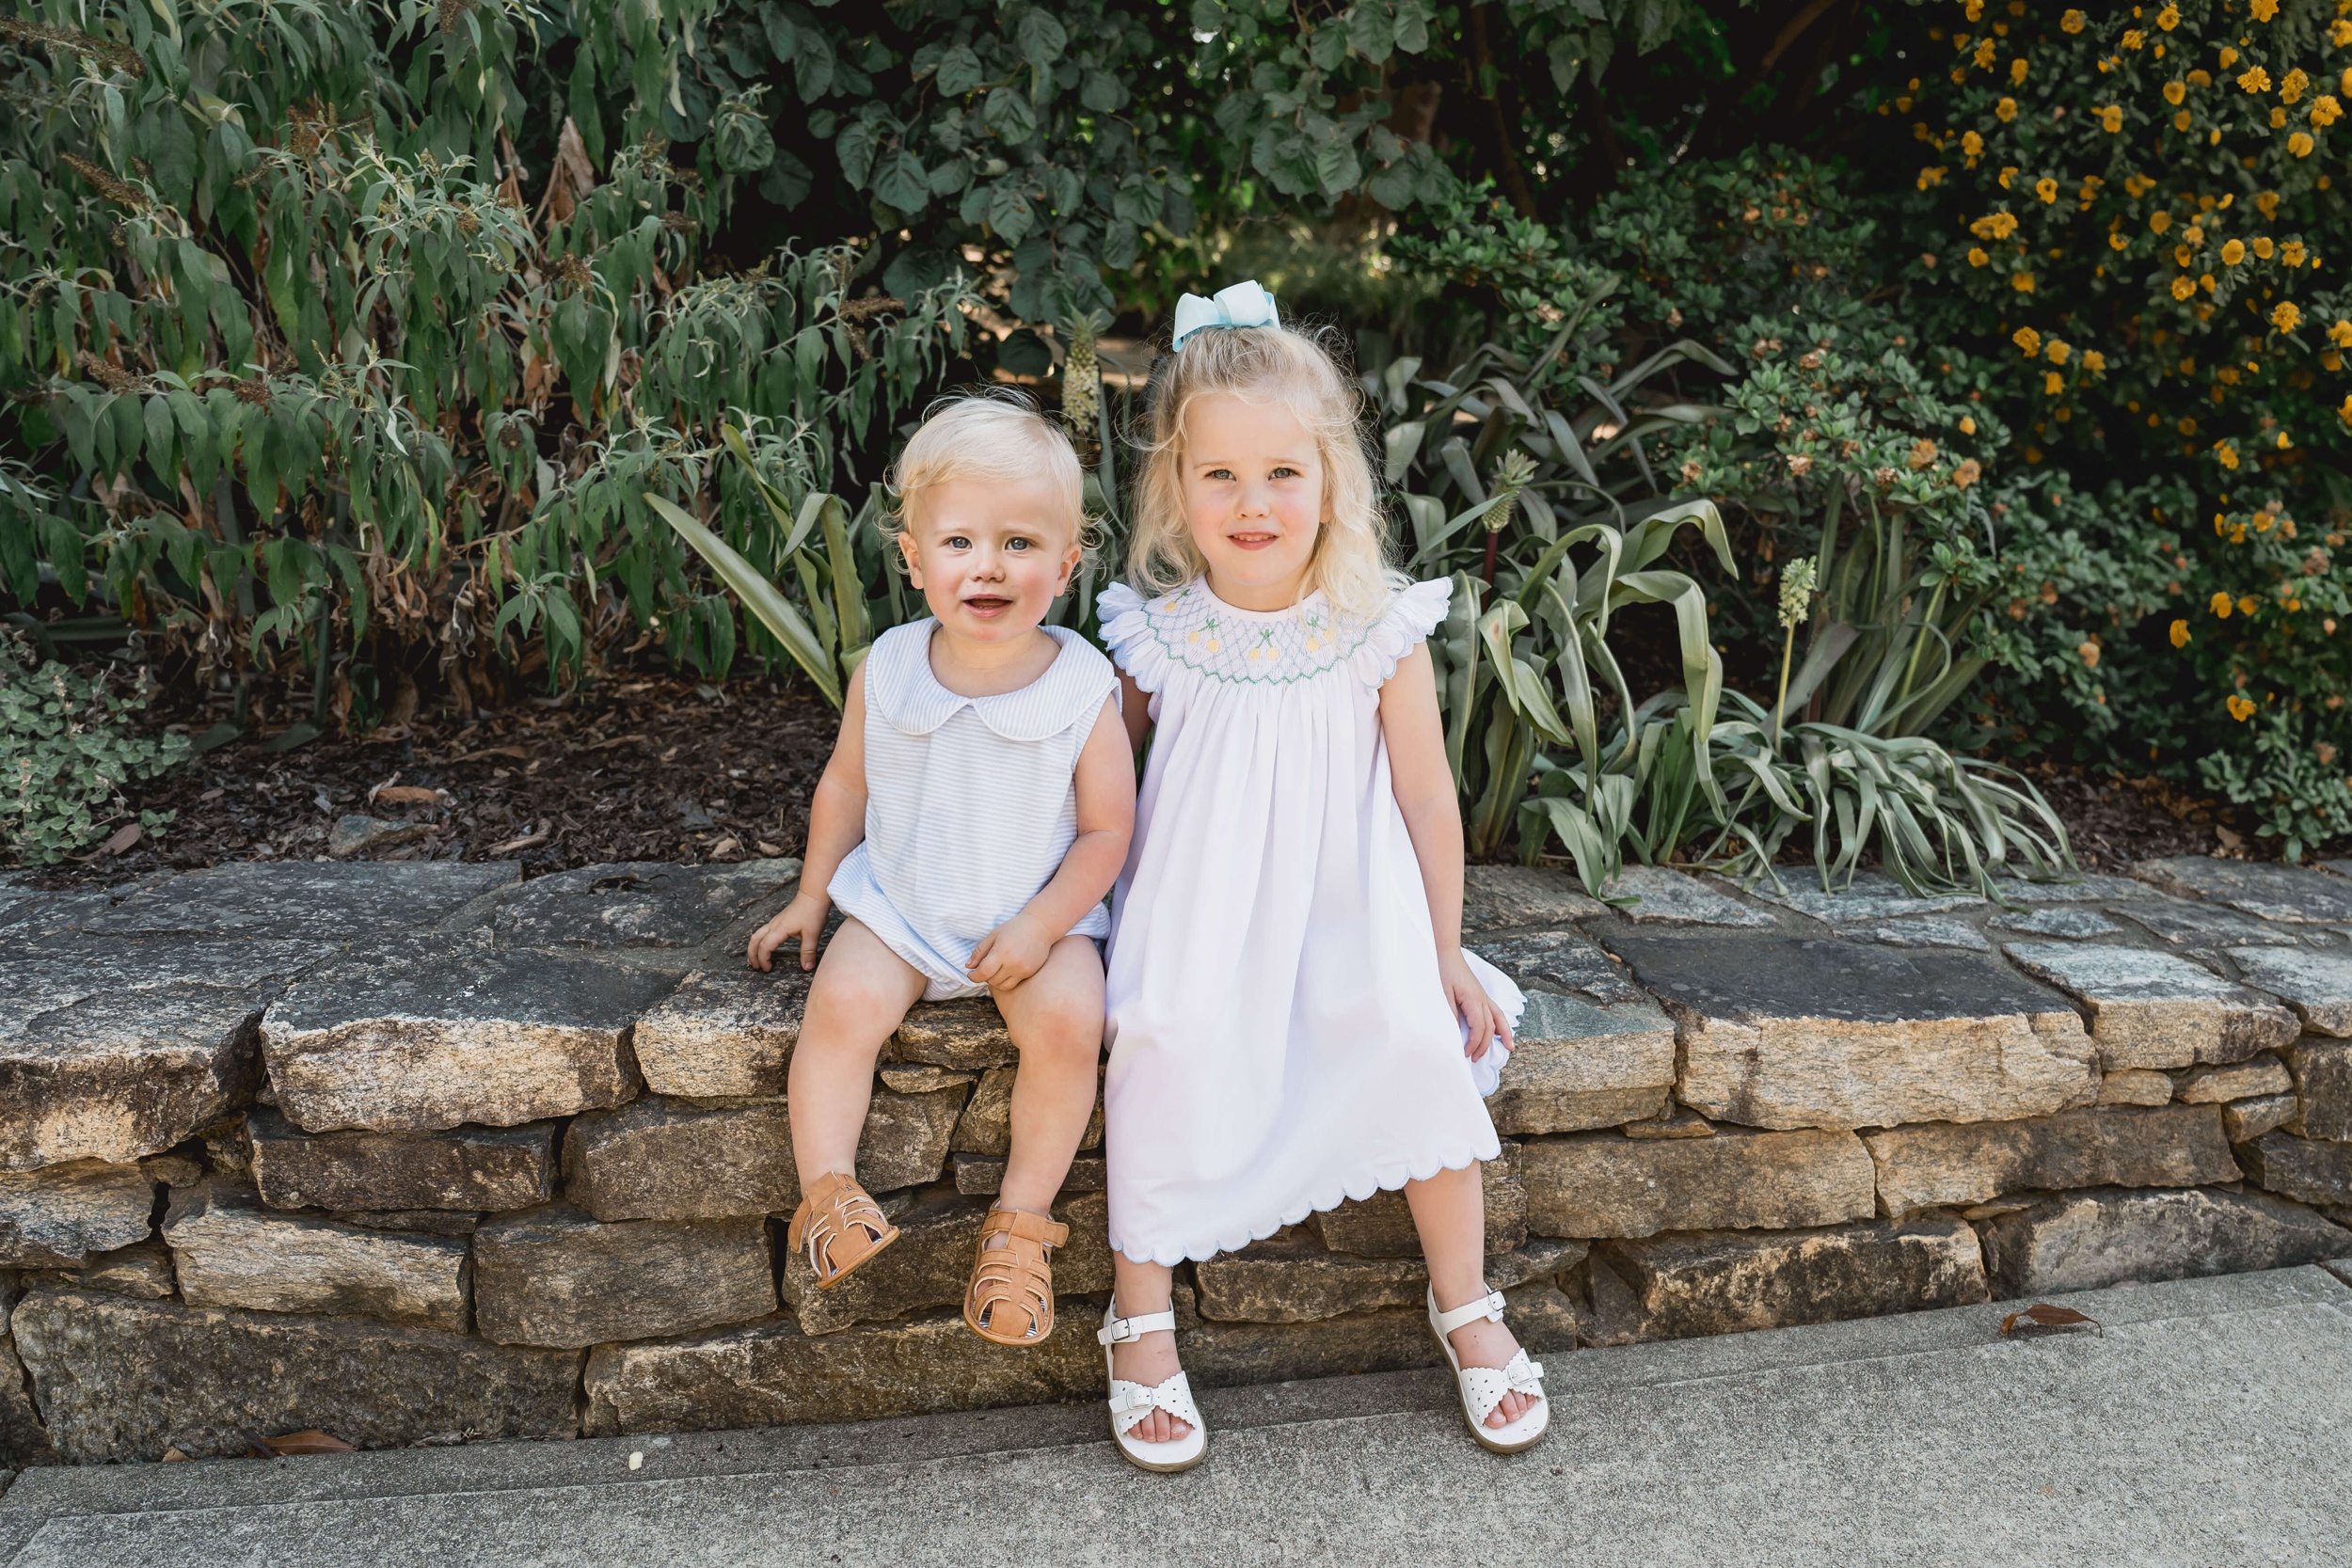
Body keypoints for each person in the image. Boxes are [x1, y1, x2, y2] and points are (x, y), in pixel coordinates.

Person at [1091, 282, 1545, 1473]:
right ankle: (1139, 1315)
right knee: (1159, 1031)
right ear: (1173, 489)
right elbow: (1096, 790)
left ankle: (1468, 1301)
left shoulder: (1373, 626)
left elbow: (1426, 799)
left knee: (1408, 1035)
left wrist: (1442, 951)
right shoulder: (1155, 633)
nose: (1252, 503)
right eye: (1220, 476)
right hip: (1195, 908)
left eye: (1282, 474)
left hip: (1350, 904)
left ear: (1332, 476)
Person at [747, 392, 1134, 1348]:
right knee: (837, 1010)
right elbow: (845, 784)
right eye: (958, 541)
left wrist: (1044, 924)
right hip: (904, 909)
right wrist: (811, 895)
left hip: (1035, 921)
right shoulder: (889, 664)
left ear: (1066, 562)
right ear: (913, 557)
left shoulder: (1084, 685)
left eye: (1018, 542)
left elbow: (1104, 834)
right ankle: (828, 1191)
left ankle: (1019, 1223)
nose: (988, 565)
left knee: (1069, 1024)